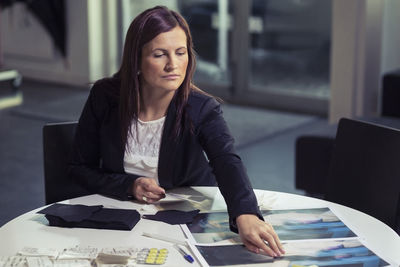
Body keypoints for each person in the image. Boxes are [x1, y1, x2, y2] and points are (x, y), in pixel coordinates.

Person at [69, 5, 285, 257]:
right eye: (159, 54)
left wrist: (245, 213)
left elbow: (226, 160)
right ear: (136, 60)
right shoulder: (105, 96)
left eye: (180, 52)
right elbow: (78, 168)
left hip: (186, 222)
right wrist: (129, 185)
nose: (173, 64)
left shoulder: (201, 107)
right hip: (119, 220)